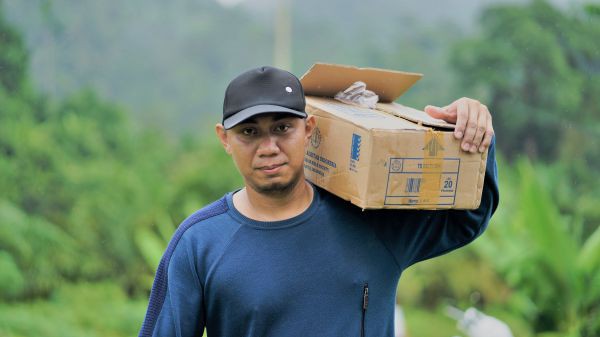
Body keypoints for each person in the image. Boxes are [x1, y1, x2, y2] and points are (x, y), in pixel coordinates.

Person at [138, 66, 499, 337]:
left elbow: (468, 216)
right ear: (225, 139)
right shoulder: (199, 243)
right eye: (249, 132)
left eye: (282, 128)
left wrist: (476, 134)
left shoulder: (370, 222)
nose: (268, 148)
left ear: (309, 130)